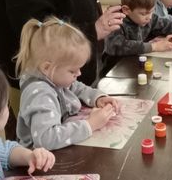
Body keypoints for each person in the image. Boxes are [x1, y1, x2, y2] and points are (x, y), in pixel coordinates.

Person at [16, 17, 119, 150]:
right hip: (36, 158)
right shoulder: (40, 94)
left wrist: (98, 98)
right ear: (47, 68)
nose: (79, 74)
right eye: (72, 71)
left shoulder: (54, 78)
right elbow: (46, 139)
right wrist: (90, 124)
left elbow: (77, 87)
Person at [104, 0, 172, 59]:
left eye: (151, 12)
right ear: (126, 10)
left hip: (135, 61)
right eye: (143, 13)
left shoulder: (147, 18)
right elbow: (116, 46)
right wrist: (154, 46)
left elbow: (167, 25)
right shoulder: (115, 21)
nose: (149, 17)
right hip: (116, 65)